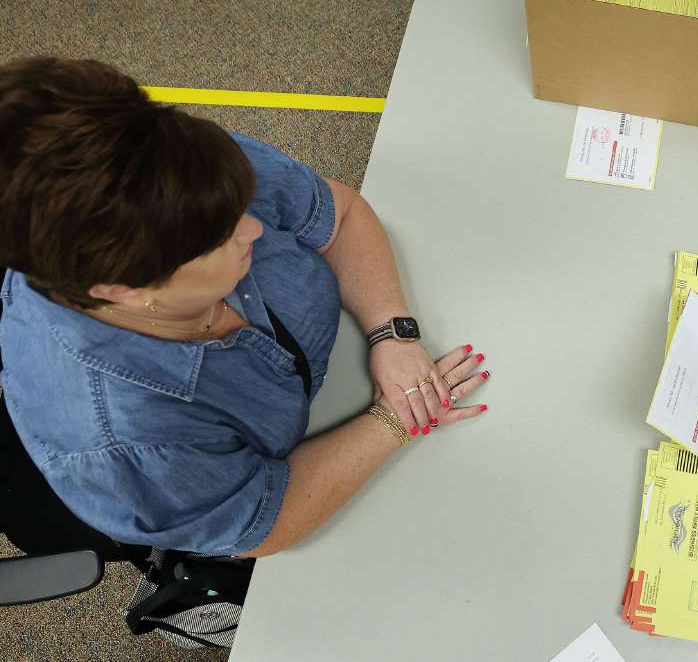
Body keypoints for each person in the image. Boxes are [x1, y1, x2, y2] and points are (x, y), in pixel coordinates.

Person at [0, 57, 489, 557]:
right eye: (220, 238)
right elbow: (265, 516)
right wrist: (393, 420)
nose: (253, 227)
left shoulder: (177, 170)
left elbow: (338, 215)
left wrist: (393, 332)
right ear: (119, 289)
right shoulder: (126, 442)